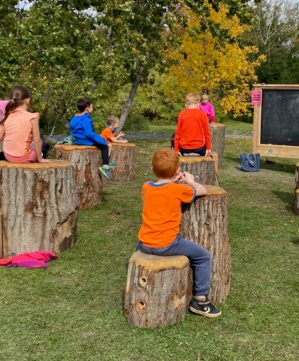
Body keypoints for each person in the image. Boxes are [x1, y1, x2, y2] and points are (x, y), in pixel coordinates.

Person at [136, 148, 221, 318]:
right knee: (203, 256)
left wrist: (171, 179)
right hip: (167, 244)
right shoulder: (178, 190)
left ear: (152, 170)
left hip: (144, 243)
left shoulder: (146, 187)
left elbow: (161, 192)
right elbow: (202, 190)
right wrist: (190, 181)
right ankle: (200, 299)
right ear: (177, 171)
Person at [0, 85, 45, 165]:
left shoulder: (6, 115)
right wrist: (40, 159)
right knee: (43, 146)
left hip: (8, 155)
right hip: (24, 157)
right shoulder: (32, 117)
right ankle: (41, 157)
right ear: (28, 101)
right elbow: (37, 141)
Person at [69, 98, 116, 179]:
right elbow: (89, 133)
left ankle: (106, 161)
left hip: (78, 139)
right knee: (104, 145)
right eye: (92, 107)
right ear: (87, 108)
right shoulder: (86, 119)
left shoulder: (75, 117)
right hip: (85, 140)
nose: (92, 109)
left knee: (100, 143)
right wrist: (101, 139)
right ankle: (105, 166)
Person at [173, 93, 212, 157]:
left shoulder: (181, 114)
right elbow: (207, 133)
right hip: (199, 148)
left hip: (184, 148)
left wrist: (176, 149)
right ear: (198, 104)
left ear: (186, 104)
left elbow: (177, 134)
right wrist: (208, 148)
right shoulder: (203, 114)